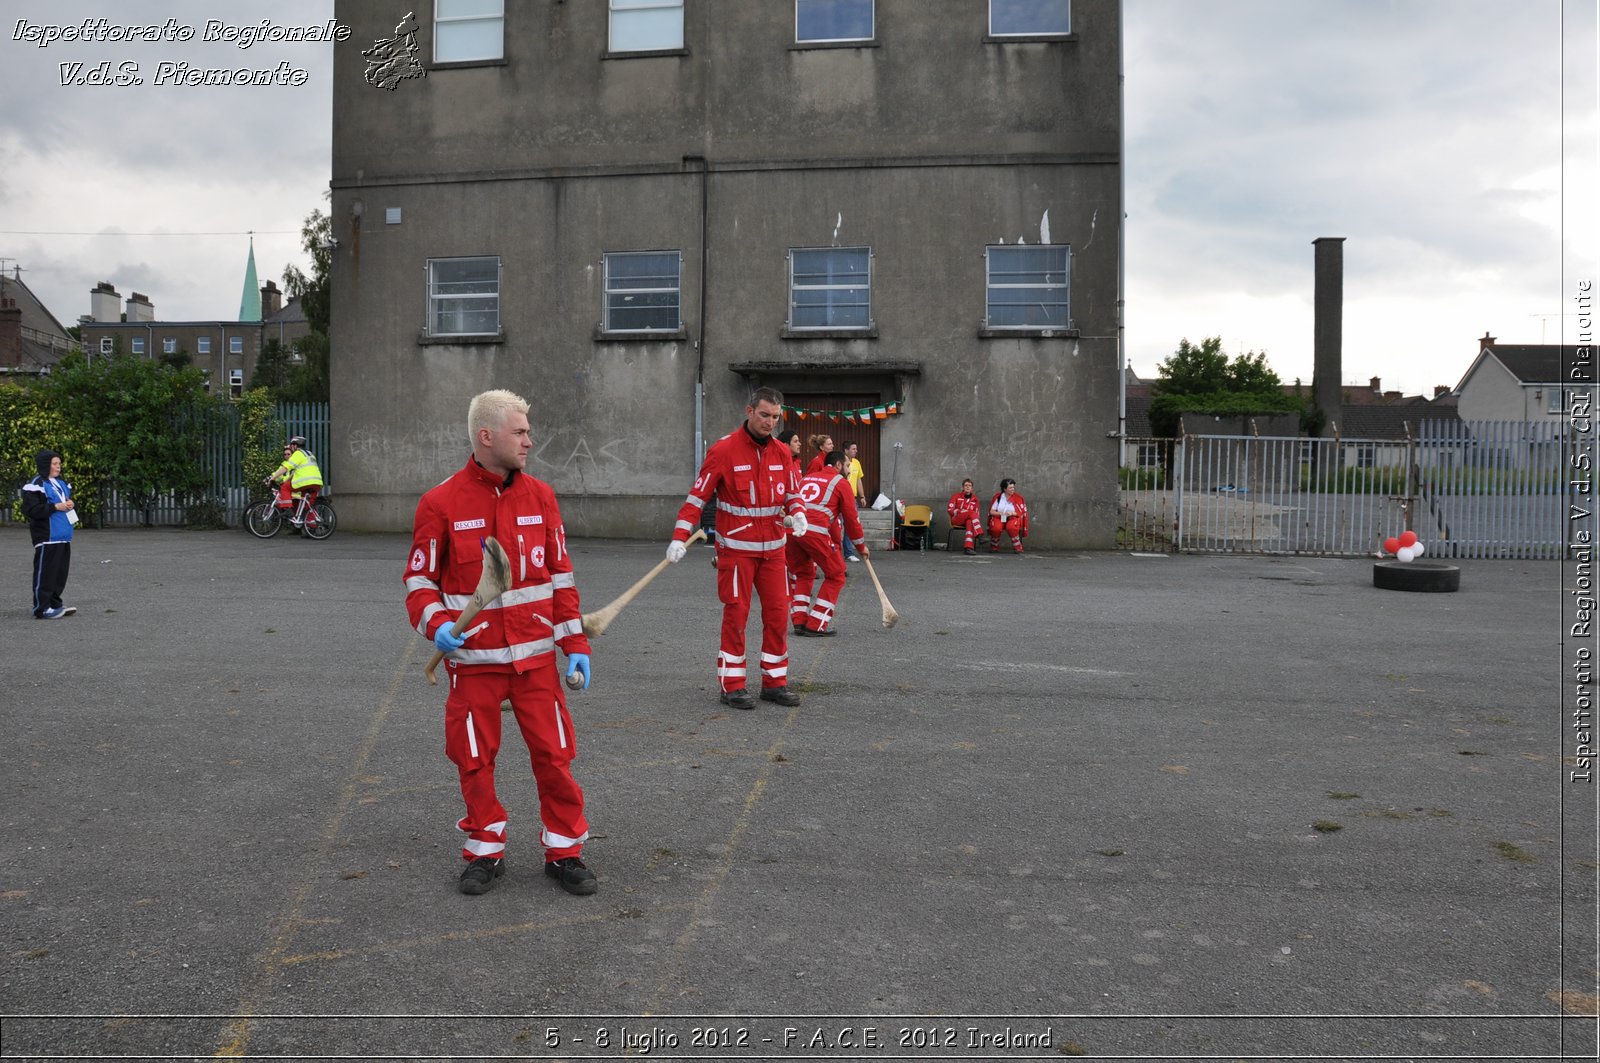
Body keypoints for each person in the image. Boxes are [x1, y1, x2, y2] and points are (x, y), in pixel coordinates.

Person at [403, 389, 598, 897]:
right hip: (472, 665)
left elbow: (560, 578)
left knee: (554, 756)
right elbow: (419, 581)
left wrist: (574, 643)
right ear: (486, 436)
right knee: (474, 759)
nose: (530, 440)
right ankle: (485, 852)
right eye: (521, 431)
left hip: (535, 663)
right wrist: (436, 624)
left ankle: (565, 851)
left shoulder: (541, 497)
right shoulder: (439, 503)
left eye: (528, 431)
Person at [666, 387, 806, 710]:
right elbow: (697, 498)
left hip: (774, 551)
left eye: (775, 417)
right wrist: (679, 536)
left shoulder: (783, 453)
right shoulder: (724, 450)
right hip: (736, 553)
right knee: (736, 616)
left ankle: (774, 682)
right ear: (749, 411)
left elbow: (792, 494)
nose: (770, 422)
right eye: (764, 415)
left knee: (777, 614)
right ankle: (732, 685)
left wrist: (798, 512)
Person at [788, 450, 868, 637]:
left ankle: (799, 621)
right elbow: (851, 519)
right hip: (815, 532)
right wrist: (861, 546)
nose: (849, 470)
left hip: (792, 531)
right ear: (839, 465)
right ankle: (816, 624)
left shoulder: (807, 478)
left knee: (803, 573)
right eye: (848, 465)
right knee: (836, 575)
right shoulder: (841, 483)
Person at [22, 450, 77, 620]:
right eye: (54, 464)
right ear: (46, 465)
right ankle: (42, 608)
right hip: (47, 537)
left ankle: (55, 604)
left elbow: (64, 504)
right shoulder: (36, 484)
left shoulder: (61, 483)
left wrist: (70, 503)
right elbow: (31, 510)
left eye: (59, 463)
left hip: (63, 536)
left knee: (59, 573)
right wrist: (55, 507)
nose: (58, 467)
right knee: (45, 573)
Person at [268, 436, 325, 530]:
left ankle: (287, 510)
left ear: (295, 445)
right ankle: (311, 529)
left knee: (284, 488)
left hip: (305, 482)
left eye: (291, 445)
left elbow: (286, 467)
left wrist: (273, 478)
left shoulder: (298, 454)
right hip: (317, 482)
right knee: (307, 506)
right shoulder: (310, 454)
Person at [987, 477, 1030, 554]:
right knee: (996, 528)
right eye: (1010, 487)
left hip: (1013, 517)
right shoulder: (998, 497)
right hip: (999, 517)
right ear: (1004, 489)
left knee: (1011, 527)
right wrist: (1001, 513)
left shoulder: (1018, 498)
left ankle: (1018, 547)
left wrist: (1012, 513)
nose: (1013, 489)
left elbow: (1021, 512)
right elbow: (991, 511)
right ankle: (994, 546)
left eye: (1013, 487)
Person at [840, 441, 866, 562]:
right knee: (838, 526)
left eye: (856, 449)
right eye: (853, 449)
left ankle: (849, 553)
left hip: (852, 498)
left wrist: (862, 496)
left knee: (850, 524)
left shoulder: (857, 463)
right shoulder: (840, 462)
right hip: (840, 498)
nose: (856, 451)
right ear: (845, 450)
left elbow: (858, 480)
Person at [947, 478, 984, 556]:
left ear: (972, 488)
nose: (968, 487)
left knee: (970, 521)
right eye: (966, 485)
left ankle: (968, 548)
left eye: (969, 485)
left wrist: (968, 513)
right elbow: (950, 510)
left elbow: (977, 514)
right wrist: (960, 511)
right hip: (957, 519)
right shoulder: (956, 496)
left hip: (970, 519)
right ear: (963, 487)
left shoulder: (975, 499)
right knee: (971, 513)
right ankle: (979, 534)